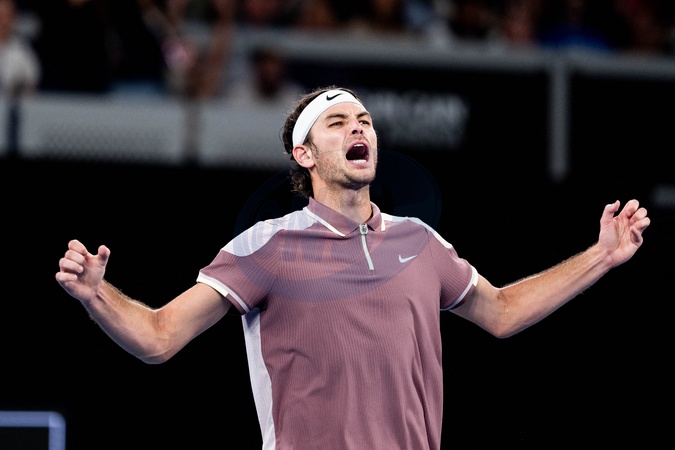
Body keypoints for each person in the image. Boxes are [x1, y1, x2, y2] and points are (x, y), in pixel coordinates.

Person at [55, 85, 650, 450]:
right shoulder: (266, 245)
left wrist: (601, 255)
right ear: (305, 154)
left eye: (364, 120)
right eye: (337, 123)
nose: (358, 127)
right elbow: (158, 338)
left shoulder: (421, 241)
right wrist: (96, 295)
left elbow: (501, 311)